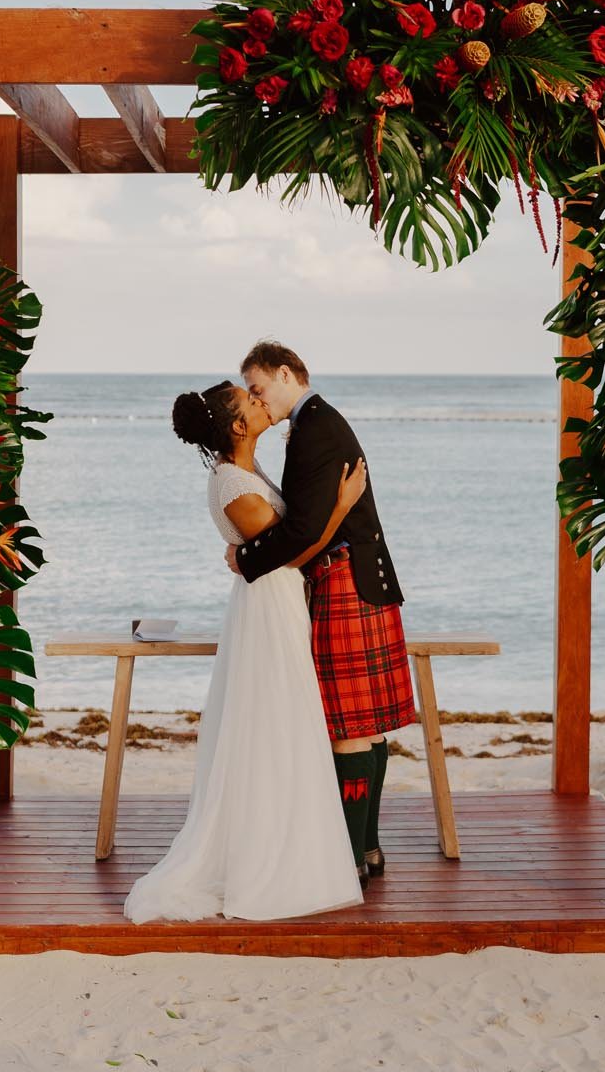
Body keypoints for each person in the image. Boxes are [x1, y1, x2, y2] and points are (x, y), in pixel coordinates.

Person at [122, 379, 369, 923]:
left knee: (281, 725)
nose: (261, 401)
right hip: (269, 610)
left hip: (277, 603)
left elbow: (271, 546)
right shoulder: (234, 483)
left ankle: (289, 849)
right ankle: (269, 865)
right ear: (237, 424)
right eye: (250, 400)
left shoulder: (247, 473)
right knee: (274, 727)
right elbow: (295, 550)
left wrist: (246, 552)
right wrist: (342, 504)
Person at [226, 341, 414, 882]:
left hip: (345, 581)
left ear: (286, 374)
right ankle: (368, 849)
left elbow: (305, 530)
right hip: (360, 579)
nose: (258, 402)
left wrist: (247, 557)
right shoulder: (320, 422)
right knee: (369, 725)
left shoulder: (314, 430)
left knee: (349, 727)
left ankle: (350, 857)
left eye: (259, 389)